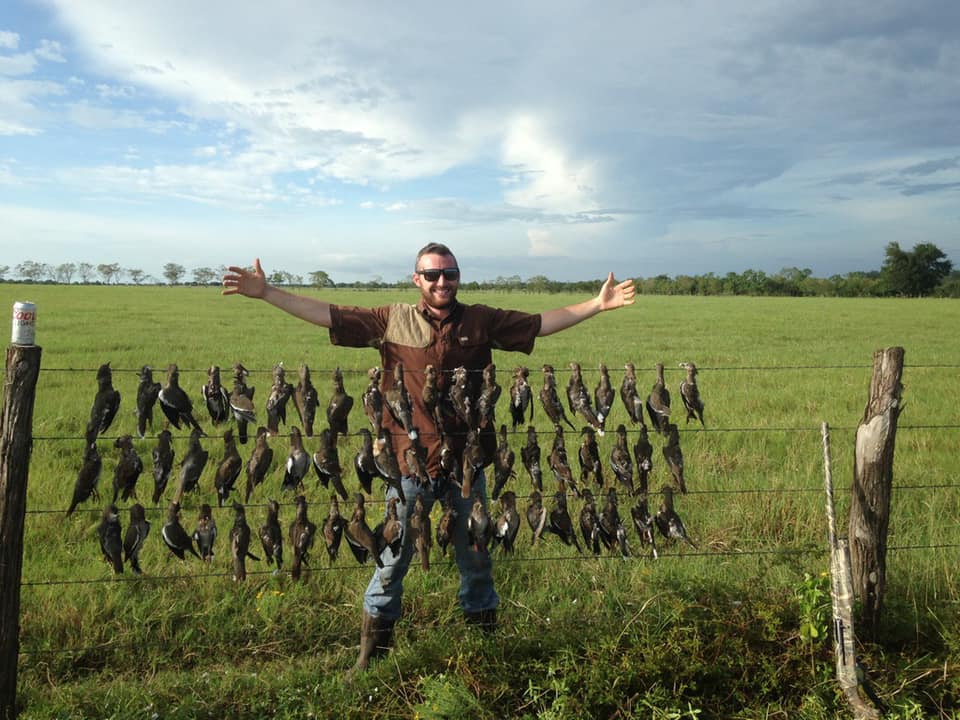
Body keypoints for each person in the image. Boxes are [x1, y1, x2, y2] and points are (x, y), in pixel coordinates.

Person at [222, 243, 635, 675]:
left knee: (476, 557)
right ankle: (370, 658)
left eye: (450, 274)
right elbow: (330, 314)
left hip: (466, 466)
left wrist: (597, 303)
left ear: (459, 277)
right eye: (433, 275)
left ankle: (485, 652)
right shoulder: (391, 320)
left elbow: (540, 324)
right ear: (417, 278)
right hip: (407, 466)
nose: (442, 282)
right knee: (391, 559)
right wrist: (269, 293)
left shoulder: (481, 320)